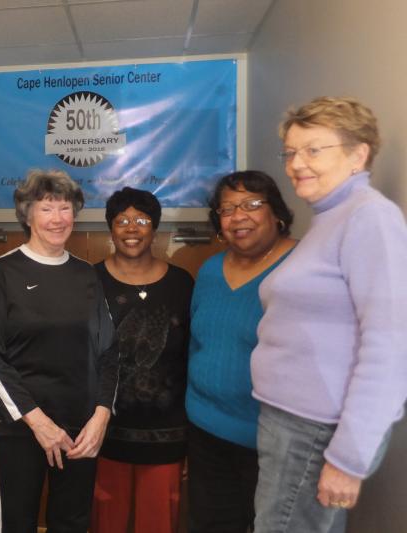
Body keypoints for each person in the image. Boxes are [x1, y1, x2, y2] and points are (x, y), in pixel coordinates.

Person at [251, 97, 407, 533]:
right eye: (291, 152)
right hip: (297, 425)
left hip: (316, 432)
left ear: (358, 154)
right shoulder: (330, 217)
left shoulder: (371, 217)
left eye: (313, 150)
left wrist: (349, 458)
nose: (297, 163)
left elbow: (391, 345)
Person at [0, 169, 119, 533]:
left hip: (80, 429)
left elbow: (109, 352)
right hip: (21, 427)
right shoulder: (4, 271)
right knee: (17, 523)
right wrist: (38, 422)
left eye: (65, 208)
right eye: (46, 208)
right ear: (27, 215)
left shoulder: (87, 274)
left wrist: (100, 418)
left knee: (72, 522)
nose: (58, 219)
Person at [186, 170, 296, 533]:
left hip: (270, 443)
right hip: (204, 430)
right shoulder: (210, 270)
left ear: (276, 212)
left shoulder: (302, 268)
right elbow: (198, 341)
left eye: (251, 204)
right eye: (227, 208)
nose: (238, 216)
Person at [89, 187, 193, 533]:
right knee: (107, 520)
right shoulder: (90, 281)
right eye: (122, 221)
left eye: (142, 220)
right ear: (110, 229)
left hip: (167, 432)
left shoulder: (181, 283)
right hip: (102, 431)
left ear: (155, 228)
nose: (132, 228)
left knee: (159, 522)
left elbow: (191, 356)